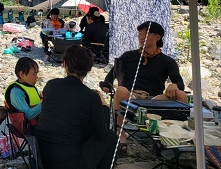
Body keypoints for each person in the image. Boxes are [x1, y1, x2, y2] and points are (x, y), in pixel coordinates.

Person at [102, 21, 187, 154]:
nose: (141, 37)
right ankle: (121, 135)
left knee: (181, 95)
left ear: (157, 37)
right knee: (121, 90)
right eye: (140, 34)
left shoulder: (167, 61)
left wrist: (174, 85)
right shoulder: (129, 56)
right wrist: (106, 84)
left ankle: (173, 137)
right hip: (132, 96)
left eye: (146, 33)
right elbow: (112, 73)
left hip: (154, 99)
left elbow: (180, 83)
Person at [35, 45, 117, 169]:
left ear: (64, 64)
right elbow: (102, 133)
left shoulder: (51, 85)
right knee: (111, 137)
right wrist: (104, 105)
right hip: (70, 163)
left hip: (42, 158)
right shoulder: (91, 96)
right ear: (89, 69)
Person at [4, 57, 42, 130]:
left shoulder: (30, 87)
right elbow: (28, 115)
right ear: (22, 74)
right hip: (29, 130)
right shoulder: (16, 92)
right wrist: (45, 103)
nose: (37, 77)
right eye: (34, 74)